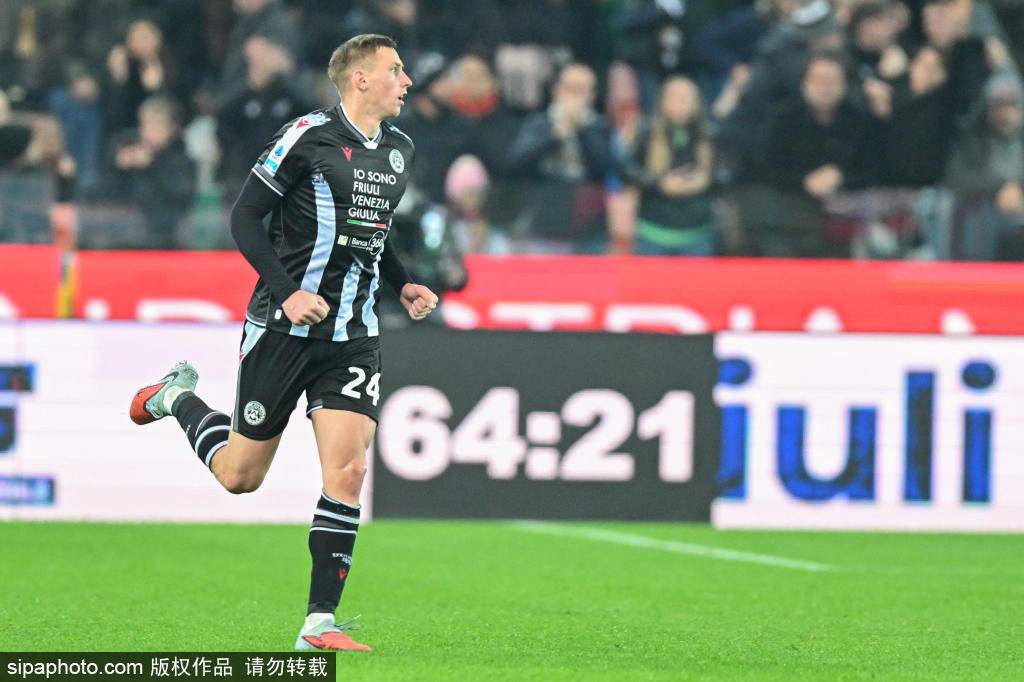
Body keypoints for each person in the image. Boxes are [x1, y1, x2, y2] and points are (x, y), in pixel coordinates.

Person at [128, 34, 436, 652]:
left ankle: (319, 622)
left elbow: (373, 233)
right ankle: (176, 397)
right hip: (282, 328)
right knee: (240, 476)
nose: (406, 81)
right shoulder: (306, 137)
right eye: (395, 70)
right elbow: (244, 217)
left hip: (353, 335)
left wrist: (402, 283)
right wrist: (288, 291)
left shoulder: (399, 149)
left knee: (349, 470)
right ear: (360, 79)